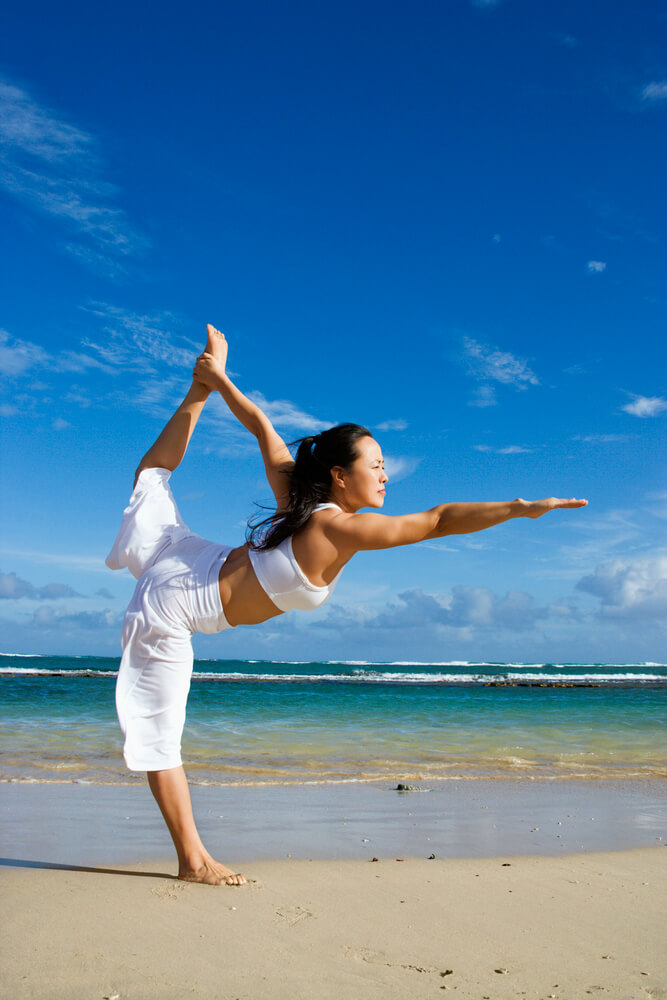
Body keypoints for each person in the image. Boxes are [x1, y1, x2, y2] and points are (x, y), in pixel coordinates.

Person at [106, 324, 588, 886]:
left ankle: (196, 390)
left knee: (151, 475)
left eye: (384, 465)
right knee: (158, 730)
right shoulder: (339, 527)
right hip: (172, 603)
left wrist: (218, 382)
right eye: (375, 464)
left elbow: (264, 428)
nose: (385, 474)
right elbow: (437, 520)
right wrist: (519, 507)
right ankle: (193, 861)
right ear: (341, 475)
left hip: (190, 557)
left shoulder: (300, 501)